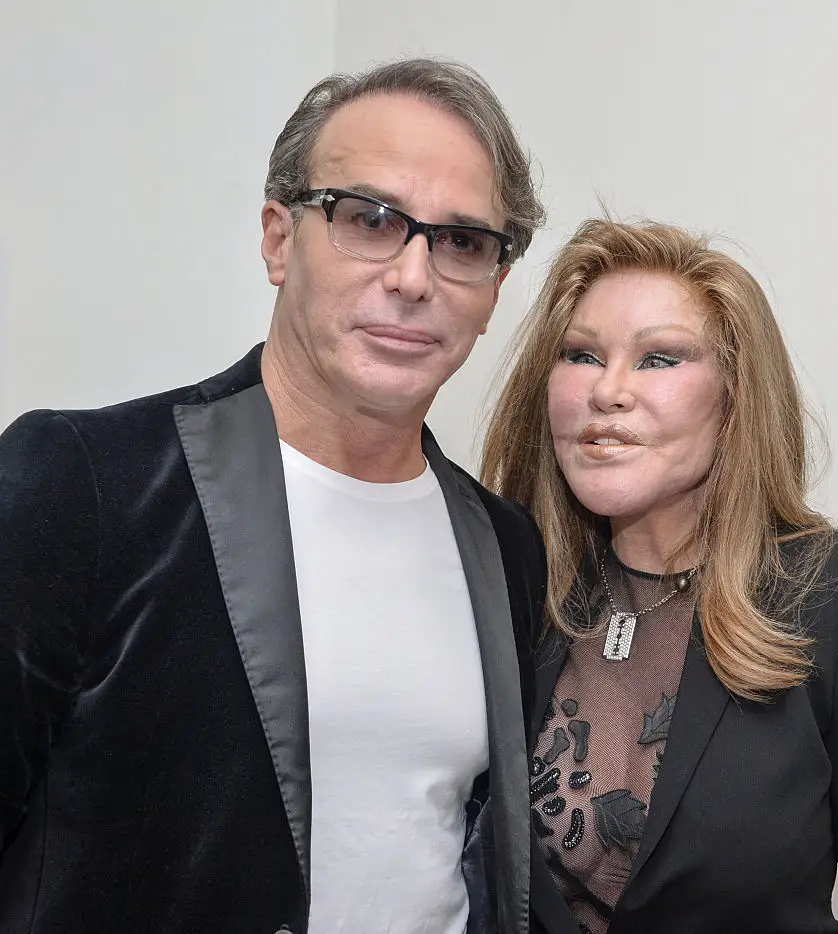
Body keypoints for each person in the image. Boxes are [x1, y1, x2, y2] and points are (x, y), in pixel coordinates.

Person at [0, 59, 547, 934]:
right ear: (278, 239)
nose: (414, 277)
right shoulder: (86, 482)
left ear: (491, 291)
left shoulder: (507, 546)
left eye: (461, 242)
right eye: (369, 219)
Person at [482, 218, 838, 934]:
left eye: (660, 359)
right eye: (580, 355)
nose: (608, 391)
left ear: (735, 396)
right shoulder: (508, 582)